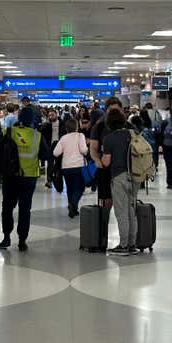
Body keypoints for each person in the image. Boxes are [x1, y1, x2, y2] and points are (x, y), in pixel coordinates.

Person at [0, 107, 52, 251]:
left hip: (10, 177)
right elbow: (46, 156)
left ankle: (6, 237)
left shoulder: (7, 132)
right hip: (29, 177)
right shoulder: (37, 136)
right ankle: (22, 240)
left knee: (7, 207)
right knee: (25, 209)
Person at [101, 109, 139, 256]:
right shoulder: (132, 134)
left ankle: (123, 246)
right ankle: (132, 244)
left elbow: (106, 162)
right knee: (131, 210)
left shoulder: (109, 139)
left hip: (119, 176)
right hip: (135, 176)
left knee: (121, 211)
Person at [90, 97, 129, 226]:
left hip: (125, 171)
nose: (114, 115)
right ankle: (102, 233)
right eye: (112, 111)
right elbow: (93, 148)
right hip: (105, 170)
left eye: (117, 111)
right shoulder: (99, 126)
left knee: (126, 206)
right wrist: (97, 161)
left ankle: (127, 241)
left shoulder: (128, 127)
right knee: (106, 204)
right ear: (106, 111)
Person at [53, 118, 88, 218]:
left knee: (70, 188)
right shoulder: (80, 136)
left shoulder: (63, 138)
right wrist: (87, 149)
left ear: (66, 128)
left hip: (66, 167)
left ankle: (73, 208)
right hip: (78, 166)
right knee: (80, 188)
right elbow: (83, 150)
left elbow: (55, 152)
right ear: (77, 127)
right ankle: (73, 204)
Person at [41, 110, 66, 188]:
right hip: (50, 146)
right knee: (50, 164)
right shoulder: (47, 125)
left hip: (60, 146)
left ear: (57, 114)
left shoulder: (62, 124)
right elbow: (42, 133)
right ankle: (49, 180)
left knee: (59, 164)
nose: (51, 117)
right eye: (49, 115)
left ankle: (59, 180)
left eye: (52, 115)